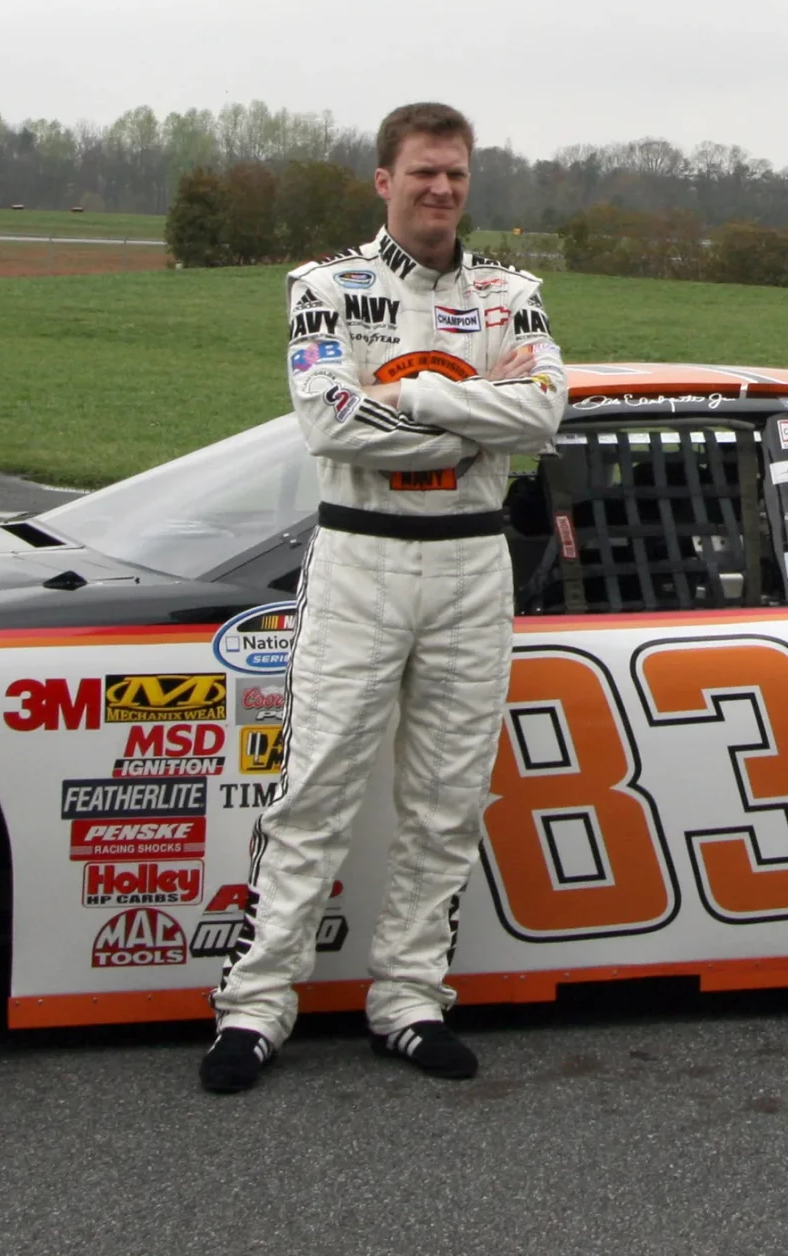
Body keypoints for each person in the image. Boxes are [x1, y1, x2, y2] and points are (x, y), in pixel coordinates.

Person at [201, 102, 567, 1093]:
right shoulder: (328, 286)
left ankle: (407, 996)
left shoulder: (508, 293)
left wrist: (410, 398)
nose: (440, 189)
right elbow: (328, 421)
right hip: (360, 560)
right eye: (422, 173)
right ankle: (257, 1002)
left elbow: (541, 411)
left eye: (454, 173)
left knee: (446, 798)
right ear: (383, 179)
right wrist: (468, 430)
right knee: (314, 788)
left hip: (470, 565)